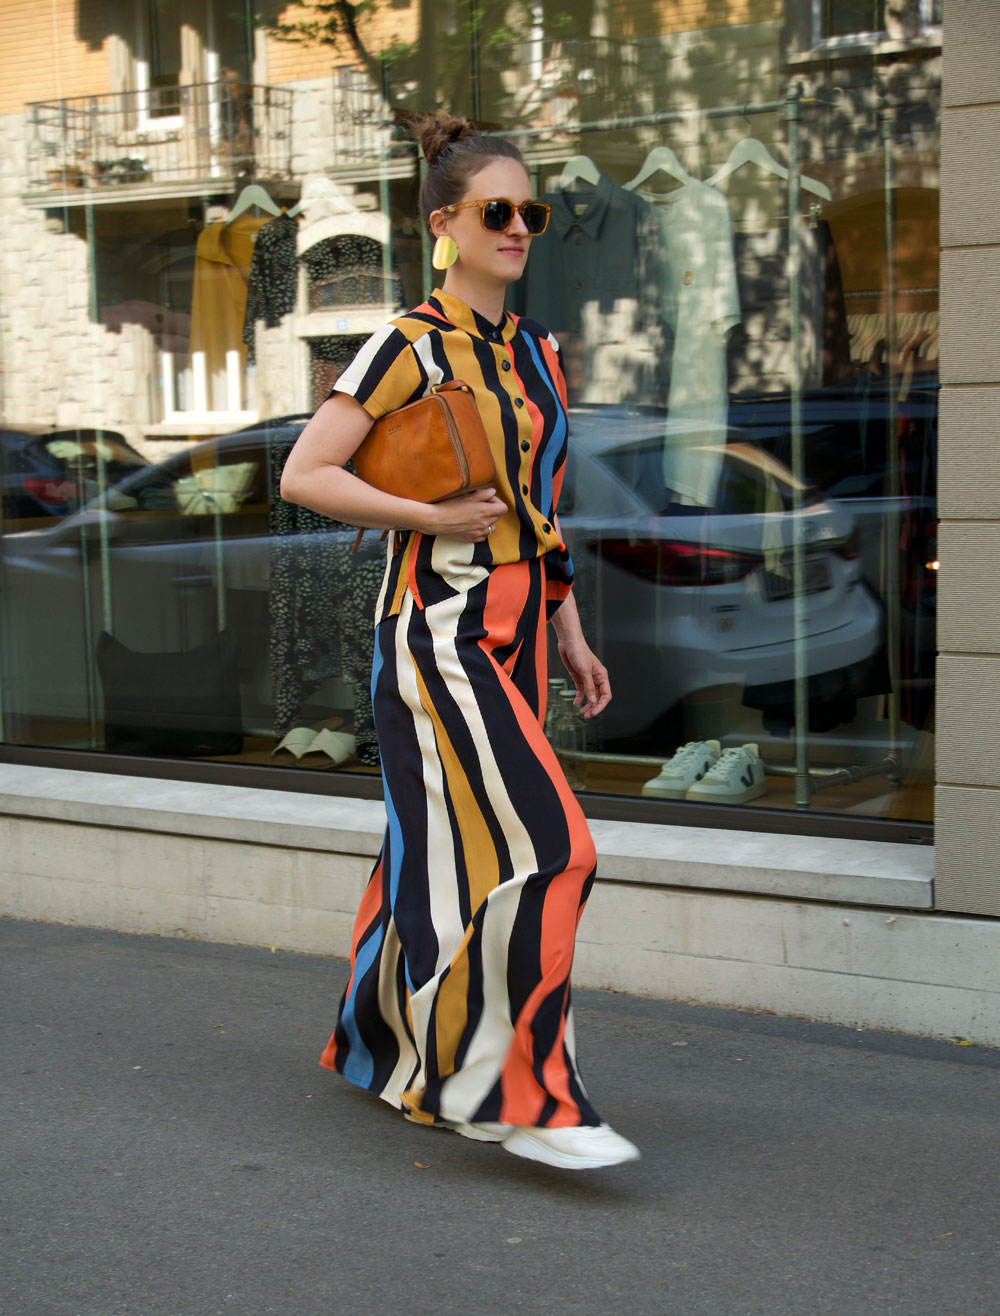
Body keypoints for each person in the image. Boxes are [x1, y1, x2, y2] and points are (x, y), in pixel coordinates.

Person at [280, 112, 639, 1171]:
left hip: (519, 633)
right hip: (439, 632)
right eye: (498, 210)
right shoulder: (407, 342)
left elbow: (538, 506)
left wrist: (569, 624)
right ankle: (516, 1093)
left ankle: (379, 1042)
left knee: (430, 850)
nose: (520, 226)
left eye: (530, 211)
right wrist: (431, 519)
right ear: (444, 223)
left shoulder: (533, 351)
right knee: (550, 846)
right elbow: (308, 472)